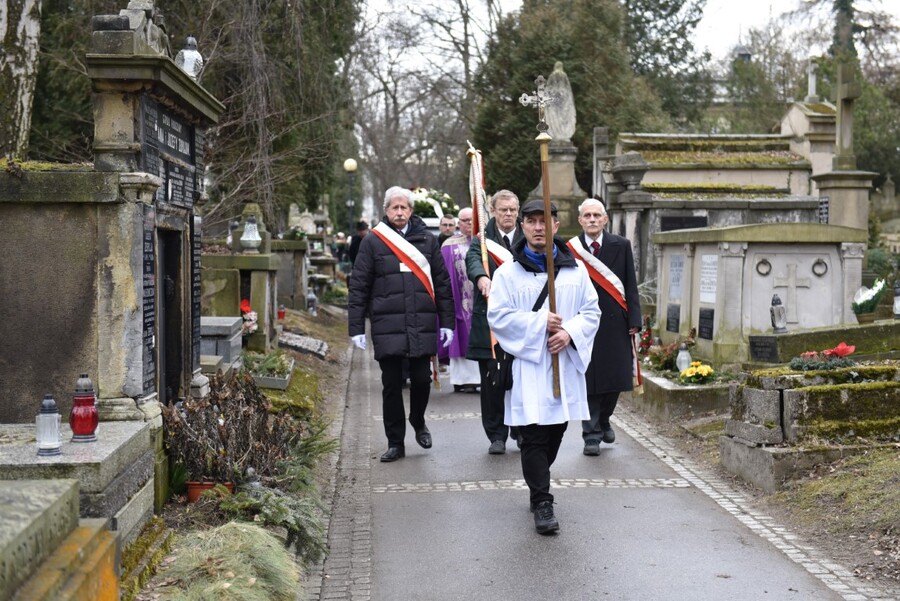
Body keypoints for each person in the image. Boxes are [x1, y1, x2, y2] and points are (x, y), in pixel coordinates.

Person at [487, 199, 600, 534]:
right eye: (532, 221)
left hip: (562, 365)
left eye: (544, 221)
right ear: (522, 226)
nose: (538, 227)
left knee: (555, 431)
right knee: (534, 435)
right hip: (529, 367)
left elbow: (591, 312)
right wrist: (539, 324)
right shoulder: (508, 272)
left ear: (555, 225)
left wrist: (568, 332)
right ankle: (542, 501)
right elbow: (499, 316)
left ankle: (537, 477)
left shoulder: (575, 270)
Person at [348, 187, 455, 462]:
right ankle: (395, 442)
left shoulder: (427, 241)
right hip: (387, 324)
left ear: (410, 210)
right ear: (386, 210)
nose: (399, 212)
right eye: (394, 207)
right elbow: (359, 285)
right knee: (392, 385)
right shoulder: (373, 242)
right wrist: (356, 327)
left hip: (421, 322)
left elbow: (442, 284)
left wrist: (447, 323)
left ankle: (418, 421)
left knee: (422, 380)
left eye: (403, 207)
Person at [566, 198, 641, 456]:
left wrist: (635, 319)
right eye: (587, 215)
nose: (592, 220)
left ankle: (605, 418)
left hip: (614, 321)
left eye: (597, 215)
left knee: (615, 379)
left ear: (605, 219)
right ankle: (591, 435)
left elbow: (630, 283)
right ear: (580, 220)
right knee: (589, 380)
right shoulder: (570, 249)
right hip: (583, 322)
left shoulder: (621, 245)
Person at [466, 189, 524, 454]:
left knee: (522, 379)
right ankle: (496, 435)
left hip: (522, 320)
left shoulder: (528, 236)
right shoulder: (482, 240)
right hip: (490, 321)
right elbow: (473, 260)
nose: (509, 214)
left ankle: (522, 431)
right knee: (492, 379)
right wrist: (481, 277)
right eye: (503, 210)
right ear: (494, 211)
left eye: (512, 210)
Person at [441, 207, 481, 392]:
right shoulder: (449, 245)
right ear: (459, 223)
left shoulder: (484, 241)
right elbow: (446, 274)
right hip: (459, 300)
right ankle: (462, 380)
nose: (469, 224)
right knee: (461, 336)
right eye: (465, 220)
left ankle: (479, 378)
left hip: (481, 299)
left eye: (471, 220)